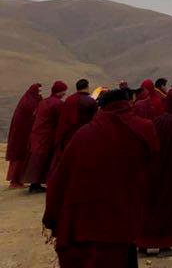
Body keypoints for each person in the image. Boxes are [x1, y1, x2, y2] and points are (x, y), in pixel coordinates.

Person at [42, 88, 158, 268]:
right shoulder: (145, 129)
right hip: (125, 215)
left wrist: (50, 218)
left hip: (88, 221)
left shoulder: (84, 134)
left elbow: (60, 178)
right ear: (128, 104)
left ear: (101, 107)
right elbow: (152, 169)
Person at [138, 88, 172, 255]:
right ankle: (165, 244)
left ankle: (143, 243)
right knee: (171, 207)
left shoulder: (158, 121)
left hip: (157, 171)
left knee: (153, 205)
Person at [23, 80, 68, 192]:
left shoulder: (44, 102)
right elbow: (61, 120)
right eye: (64, 91)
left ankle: (34, 183)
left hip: (37, 133)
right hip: (47, 135)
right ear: (60, 91)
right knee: (43, 159)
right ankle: (36, 185)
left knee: (37, 158)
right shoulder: (58, 104)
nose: (65, 93)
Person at [49, 79, 98, 177]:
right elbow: (95, 118)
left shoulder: (69, 99)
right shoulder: (90, 101)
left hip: (68, 134)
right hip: (85, 135)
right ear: (87, 87)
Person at [6, 82, 42, 188]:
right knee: (19, 158)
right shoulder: (29, 103)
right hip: (22, 135)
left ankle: (18, 180)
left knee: (21, 157)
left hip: (22, 134)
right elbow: (32, 117)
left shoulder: (28, 100)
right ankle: (15, 181)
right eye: (38, 91)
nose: (39, 93)